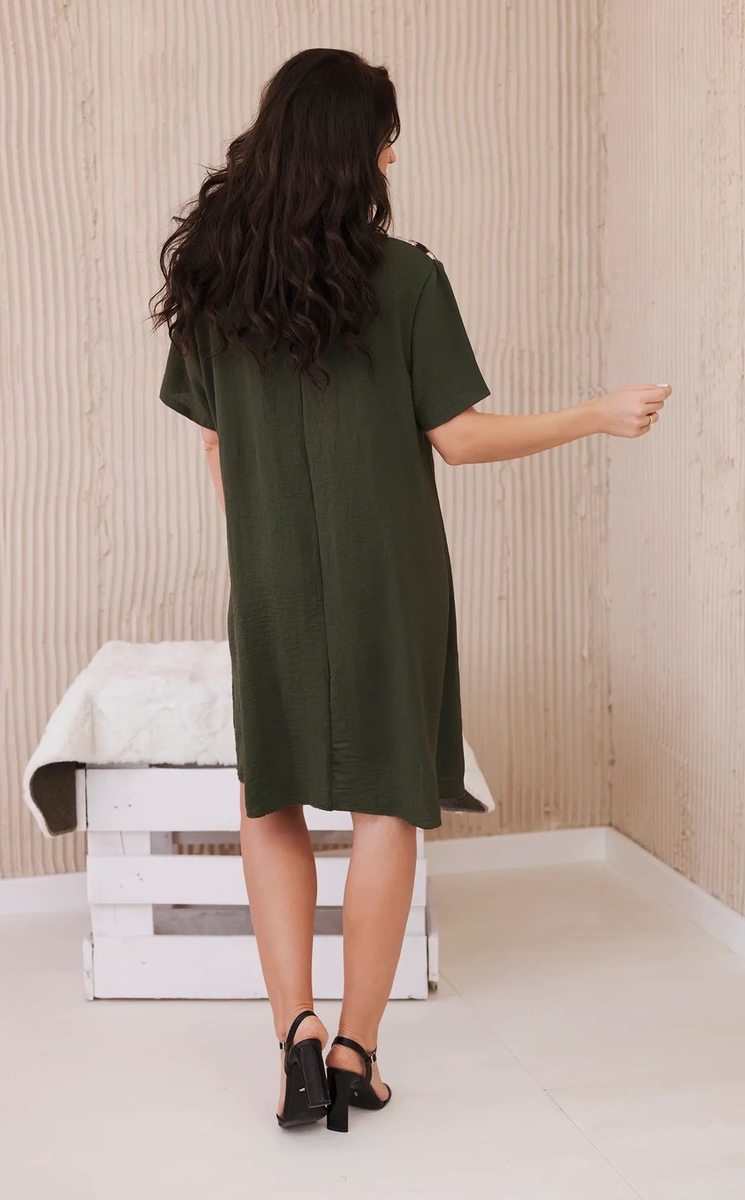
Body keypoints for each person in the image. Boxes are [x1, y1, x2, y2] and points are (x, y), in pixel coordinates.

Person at [151, 47, 670, 1133]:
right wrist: (595, 414)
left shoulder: (212, 283)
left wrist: (266, 543)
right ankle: (356, 1053)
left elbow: (213, 443)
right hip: (390, 575)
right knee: (386, 801)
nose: (393, 156)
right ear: (356, 152)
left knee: (269, 796)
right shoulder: (405, 280)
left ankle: (294, 1039)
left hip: (269, 577)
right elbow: (460, 437)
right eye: (386, 139)